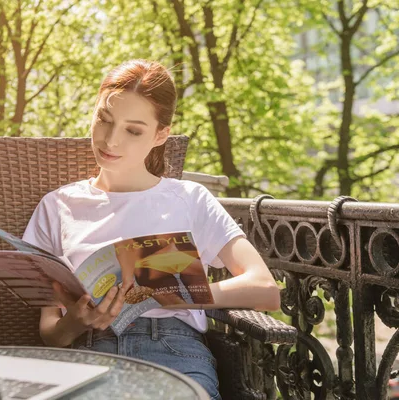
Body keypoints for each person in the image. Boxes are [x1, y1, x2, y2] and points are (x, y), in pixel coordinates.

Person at [22, 59, 280, 399]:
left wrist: (174, 295)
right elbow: (51, 334)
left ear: (160, 135)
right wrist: (79, 320)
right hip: (88, 354)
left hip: (172, 350)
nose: (111, 140)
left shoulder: (189, 198)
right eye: (104, 119)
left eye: (133, 130)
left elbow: (264, 288)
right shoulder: (57, 206)